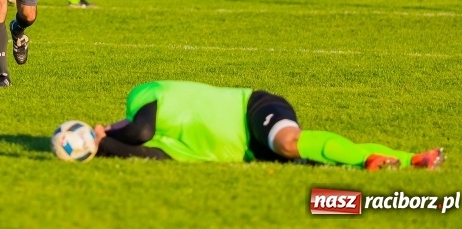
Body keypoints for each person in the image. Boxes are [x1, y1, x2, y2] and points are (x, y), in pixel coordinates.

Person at [93, 80, 444, 171]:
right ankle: (397, 159)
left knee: (288, 142)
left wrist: (103, 133)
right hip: (254, 152)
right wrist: (98, 146)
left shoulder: (143, 96)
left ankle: (410, 157)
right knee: (303, 158)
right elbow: (145, 152)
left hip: (254, 108)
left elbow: (139, 130)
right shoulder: (167, 148)